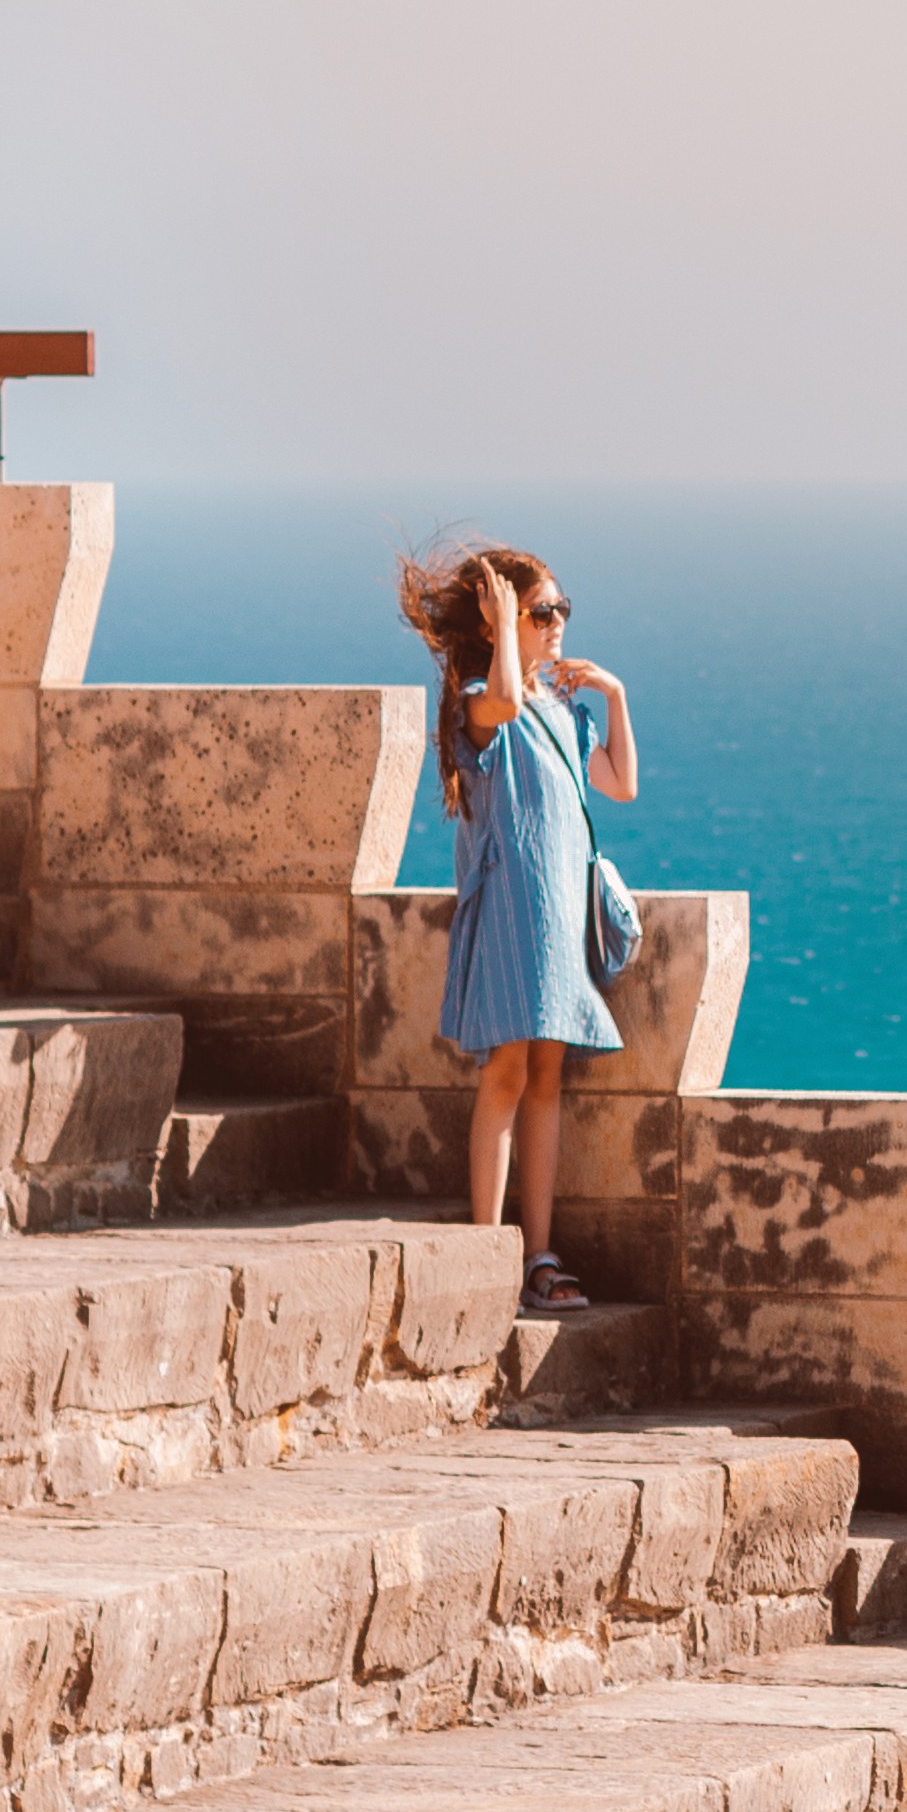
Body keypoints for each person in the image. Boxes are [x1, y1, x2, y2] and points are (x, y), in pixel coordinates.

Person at [394, 540, 638, 1308]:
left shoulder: (562, 711)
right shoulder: (481, 701)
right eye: (542, 612)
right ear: (502, 623)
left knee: (544, 1078)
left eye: (562, 609)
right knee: (505, 1071)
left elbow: (621, 785)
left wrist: (617, 695)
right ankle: (486, 1250)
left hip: (560, 915)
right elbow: (501, 701)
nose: (557, 622)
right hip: (509, 914)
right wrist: (502, 632)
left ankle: (538, 1252)